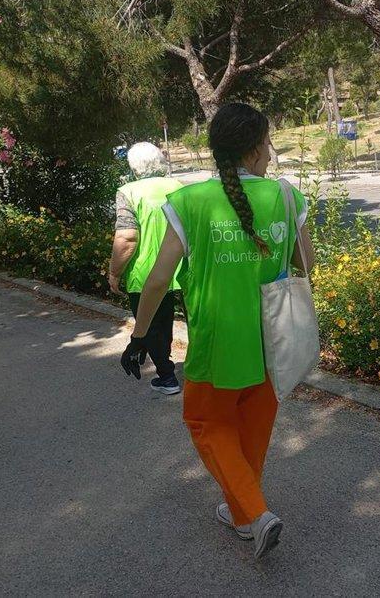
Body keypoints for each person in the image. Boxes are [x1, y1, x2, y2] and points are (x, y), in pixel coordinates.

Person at [119, 103, 315, 559]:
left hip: (215, 342)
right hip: (273, 340)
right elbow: (308, 266)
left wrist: (140, 335)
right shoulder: (287, 195)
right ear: (252, 150)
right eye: (266, 143)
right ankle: (244, 510)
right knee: (253, 428)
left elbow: (158, 279)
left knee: (207, 423)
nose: (269, 151)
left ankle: (255, 512)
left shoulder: (189, 202)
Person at [109, 142, 184, 395]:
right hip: (182, 267)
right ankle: (183, 368)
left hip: (146, 271)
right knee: (170, 321)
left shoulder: (128, 191)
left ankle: (167, 376)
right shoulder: (178, 187)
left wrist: (114, 272)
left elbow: (127, 238)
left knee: (151, 322)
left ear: (133, 166)